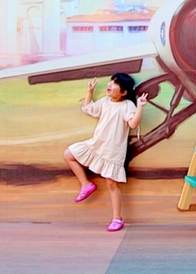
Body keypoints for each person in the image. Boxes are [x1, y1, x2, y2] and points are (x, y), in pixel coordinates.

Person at [63, 73, 148, 232]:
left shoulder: (127, 105)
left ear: (123, 92)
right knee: (68, 154)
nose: (110, 85)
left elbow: (133, 124)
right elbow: (88, 109)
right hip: (97, 144)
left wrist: (140, 107)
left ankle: (117, 219)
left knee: (111, 183)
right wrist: (90, 92)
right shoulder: (104, 102)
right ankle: (86, 184)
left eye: (115, 84)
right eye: (111, 82)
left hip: (113, 151)